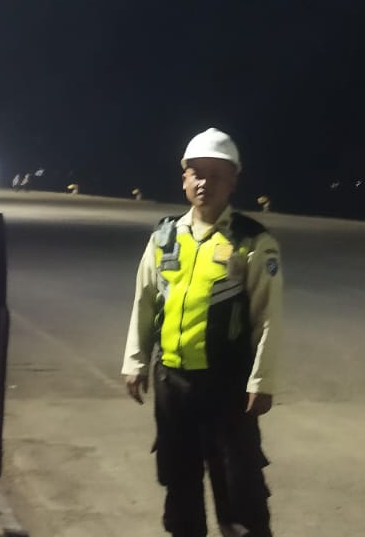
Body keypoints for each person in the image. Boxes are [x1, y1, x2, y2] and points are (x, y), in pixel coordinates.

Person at [122, 127, 284, 537]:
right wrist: (135, 360)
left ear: (233, 182)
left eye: (216, 175)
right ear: (184, 179)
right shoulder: (164, 238)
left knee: (240, 490)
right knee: (179, 484)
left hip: (227, 387)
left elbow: (268, 317)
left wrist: (262, 381)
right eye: (196, 173)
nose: (204, 183)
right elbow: (145, 300)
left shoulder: (252, 241)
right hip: (172, 383)